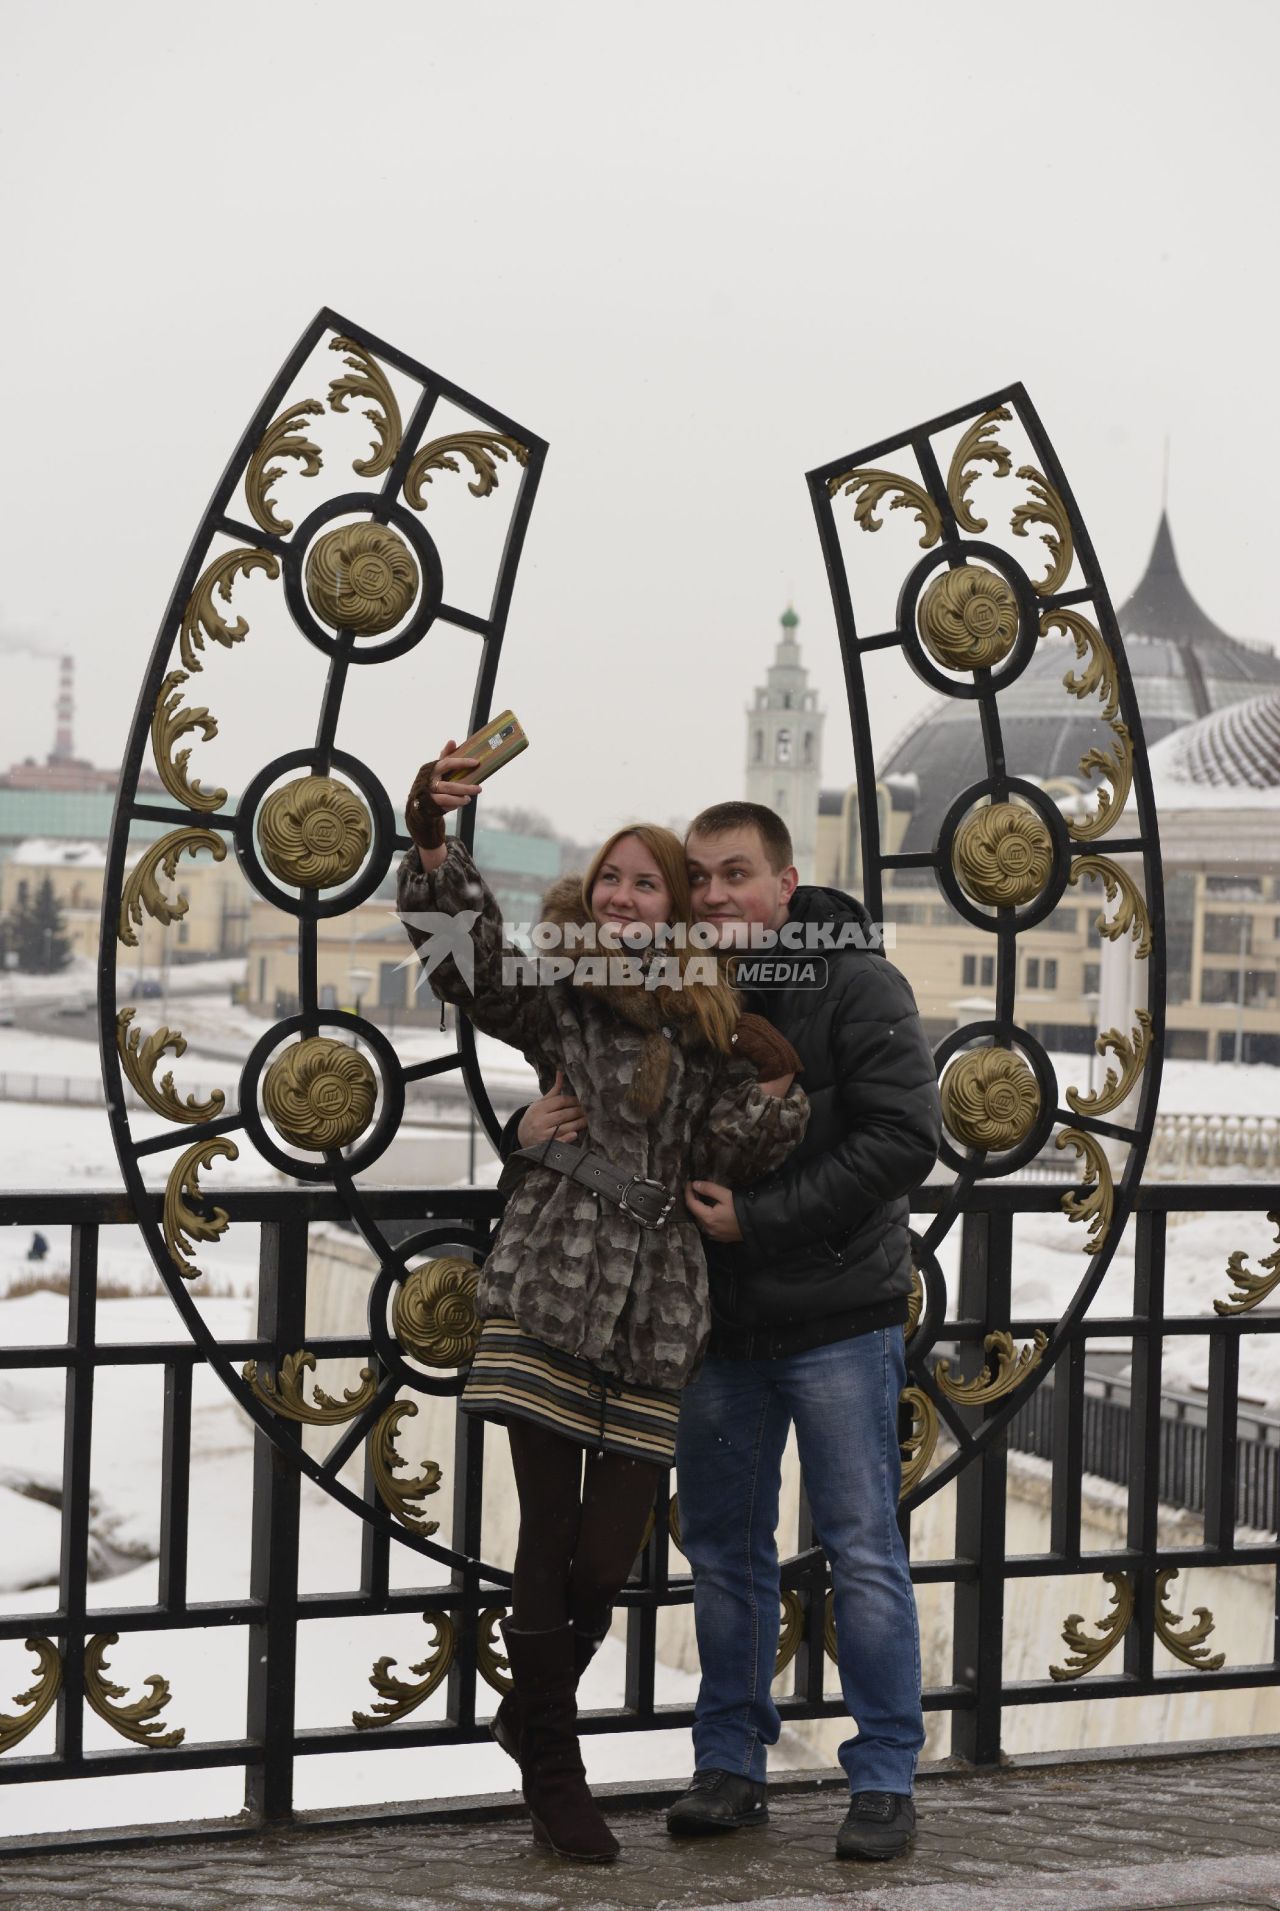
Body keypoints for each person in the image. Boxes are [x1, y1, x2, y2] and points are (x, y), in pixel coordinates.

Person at [508, 800, 941, 1862]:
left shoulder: (851, 980)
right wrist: (512, 1130)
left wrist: (760, 1218)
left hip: (837, 1313)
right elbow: (588, 1104)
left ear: (784, 886)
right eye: (695, 877)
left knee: (860, 1550)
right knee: (725, 1554)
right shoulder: (666, 985)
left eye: (735, 875)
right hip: (709, 1322)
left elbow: (902, 1137)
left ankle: (884, 1775)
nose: (713, 896)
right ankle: (730, 1764)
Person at [398, 746, 809, 1865]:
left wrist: (774, 1091)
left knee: (606, 1557)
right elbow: (462, 965)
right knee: (546, 1537)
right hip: (551, 1277)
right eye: (613, 880)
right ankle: (554, 1769)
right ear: (592, 896)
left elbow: (732, 1151)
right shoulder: (563, 994)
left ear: (675, 908)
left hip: (657, 1309)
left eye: (650, 884)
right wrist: (432, 843)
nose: (627, 897)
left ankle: (528, 1708)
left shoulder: (709, 1023)